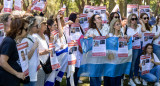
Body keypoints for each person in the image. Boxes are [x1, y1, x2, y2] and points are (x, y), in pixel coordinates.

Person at [0, 18, 27, 86]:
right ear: (18, 30)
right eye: (25, 29)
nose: (27, 31)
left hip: (12, 80)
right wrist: (17, 73)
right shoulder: (9, 41)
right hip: (7, 80)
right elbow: (2, 62)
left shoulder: (13, 41)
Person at [85, 14, 110, 86]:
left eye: (100, 17)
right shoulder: (90, 30)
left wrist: (109, 36)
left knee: (98, 75)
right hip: (92, 56)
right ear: (94, 21)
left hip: (102, 56)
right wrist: (89, 37)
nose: (101, 19)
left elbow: (111, 35)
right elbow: (84, 39)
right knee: (92, 75)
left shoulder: (106, 27)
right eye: (98, 18)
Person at [21, 16, 39, 86]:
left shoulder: (33, 38)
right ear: (30, 27)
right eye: (36, 26)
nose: (38, 27)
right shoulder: (25, 40)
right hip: (29, 74)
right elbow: (25, 58)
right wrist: (34, 47)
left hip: (34, 72)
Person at [126, 14, 142, 86]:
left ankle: (136, 76)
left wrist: (141, 22)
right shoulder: (127, 28)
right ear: (129, 19)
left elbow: (142, 33)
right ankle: (130, 79)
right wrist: (130, 37)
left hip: (138, 47)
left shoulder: (139, 26)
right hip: (131, 48)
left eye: (135, 19)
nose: (134, 20)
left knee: (137, 63)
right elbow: (125, 37)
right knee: (132, 64)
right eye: (132, 19)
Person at [33, 16, 50, 86]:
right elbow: (33, 54)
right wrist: (44, 52)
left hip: (47, 65)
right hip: (39, 65)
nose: (46, 25)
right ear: (39, 25)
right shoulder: (35, 37)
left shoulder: (46, 36)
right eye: (44, 23)